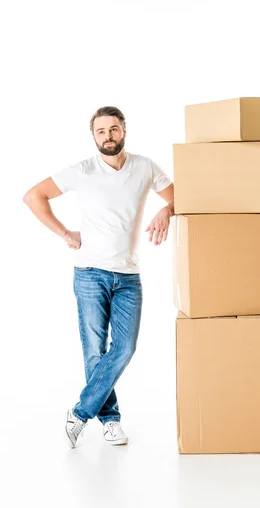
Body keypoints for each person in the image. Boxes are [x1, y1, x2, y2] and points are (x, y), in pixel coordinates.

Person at [22, 106, 174, 448]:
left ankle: (79, 413)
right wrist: (64, 232)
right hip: (90, 272)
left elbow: (181, 197)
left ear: (124, 131)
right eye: (101, 131)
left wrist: (166, 209)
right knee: (95, 351)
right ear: (94, 136)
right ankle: (110, 420)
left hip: (129, 275)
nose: (108, 135)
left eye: (114, 129)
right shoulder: (83, 170)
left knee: (125, 347)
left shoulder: (146, 167)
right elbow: (34, 196)